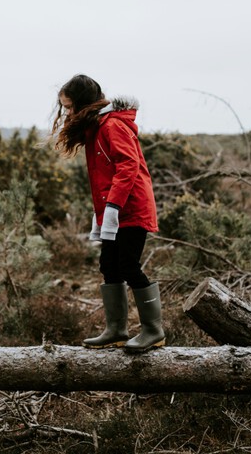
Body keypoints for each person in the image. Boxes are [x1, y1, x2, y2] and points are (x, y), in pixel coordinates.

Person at [51, 74, 165, 353]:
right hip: (115, 209)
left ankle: (154, 331)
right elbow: (105, 177)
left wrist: (111, 207)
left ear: (82, 103)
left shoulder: (112, 125)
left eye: (70, 107)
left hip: (132, 208)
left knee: (128, 265)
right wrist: (101, 213)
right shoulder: (96, 127)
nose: (67, 113)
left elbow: (128, 166)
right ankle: (116, 330)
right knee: (109, 266)